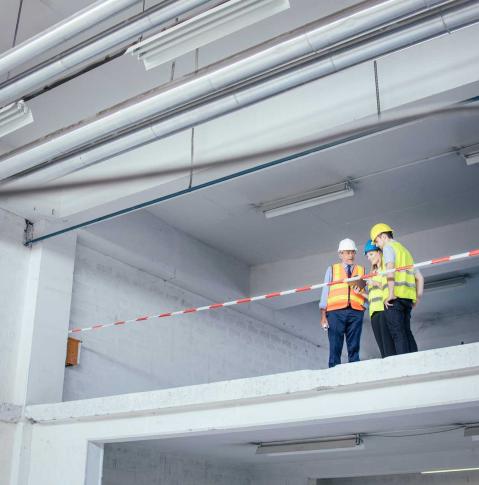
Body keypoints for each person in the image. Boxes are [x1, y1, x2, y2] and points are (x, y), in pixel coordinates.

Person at [370, 223, 424, 355]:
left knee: (397, 333)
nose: (376, 245)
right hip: (407, 299)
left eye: (376, 241)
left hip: (395, 298)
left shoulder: (388, 248)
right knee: (406, 332)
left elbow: (390, 269)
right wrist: (417, 298)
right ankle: (414, 360)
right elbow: (420, 278)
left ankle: (403, 365)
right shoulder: (405, 251)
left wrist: (391, 293)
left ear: (383, 236)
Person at [319, 238, 366, 367]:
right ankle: (334, 375)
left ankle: (355, 373)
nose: (350, 255)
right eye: (347, 252)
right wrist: (323, 315)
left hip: (356, 312)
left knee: (354, 347)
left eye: (352, 252)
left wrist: (364, 307)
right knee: (335, 346)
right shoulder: (332, 269)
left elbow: (365, 292)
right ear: (340, 254)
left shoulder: (361, 270)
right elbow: (325, 292)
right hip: (335, 312)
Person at [363, 239, 395, 358]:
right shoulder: (374, 272)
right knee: (382, 347)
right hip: (374, 313)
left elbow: (389, 288)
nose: (369, 258)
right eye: (367, 256)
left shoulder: (384, 270)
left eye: (371, 254)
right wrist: (362, 294)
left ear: (379, 252)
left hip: (383, 310)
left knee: (388, 345)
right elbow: (373, 296)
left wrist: (375, 283)